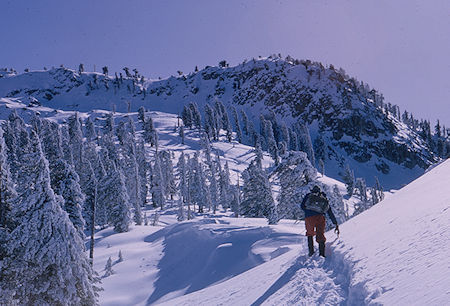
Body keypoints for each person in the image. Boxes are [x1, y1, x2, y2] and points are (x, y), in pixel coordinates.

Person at [301, 185, 339, 257]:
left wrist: (308, 211)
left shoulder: (309, 196)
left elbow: (302, 206)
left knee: (310, 233)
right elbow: (329, 211)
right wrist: (335, 222)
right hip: (320, 217)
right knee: (320, 234)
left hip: (309, 217)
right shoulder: (323, 198)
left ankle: (311, 252)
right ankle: (322, 254)